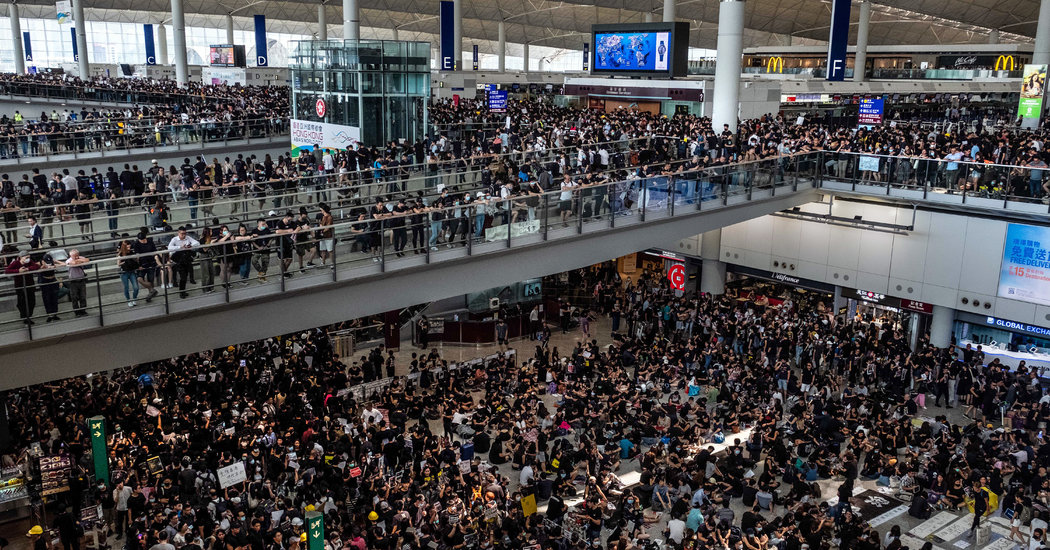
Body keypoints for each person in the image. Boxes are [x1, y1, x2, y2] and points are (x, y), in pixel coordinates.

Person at [6, 253, 39, 324]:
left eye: (29, 257)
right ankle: (24, 317)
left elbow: (36, 266)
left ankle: (29, 316)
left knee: (32, 302)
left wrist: (28, 269)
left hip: (30, 284)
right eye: (26, 257)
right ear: (21, 257)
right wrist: (18, 271)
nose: (28, 259)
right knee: (22, 302)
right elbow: (7, 271)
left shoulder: (30, 262)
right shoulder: (15, 263)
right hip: (20, 286)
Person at [167, 226, 200, 298]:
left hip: (186, 259)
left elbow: (197, 243)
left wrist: (190, 245)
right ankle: (181, 292)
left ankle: (183, 291)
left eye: (185, 233)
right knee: (183, 277)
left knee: (185, 275)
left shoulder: (188, 238)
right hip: (178, 260)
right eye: (182, 234)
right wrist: (180, 247)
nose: (184, 235)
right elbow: (169, 248)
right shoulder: (174, 239)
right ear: (178, 233)